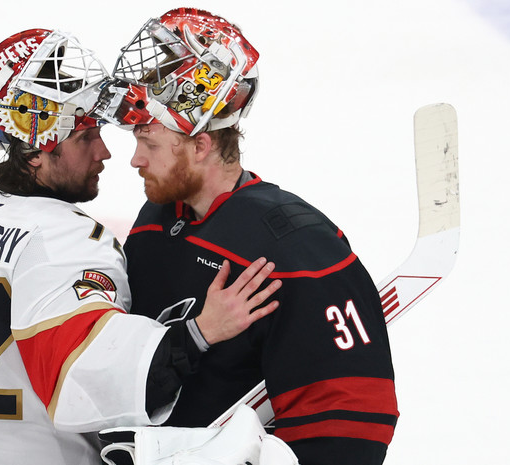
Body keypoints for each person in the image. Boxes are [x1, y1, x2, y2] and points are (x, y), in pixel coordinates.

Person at [0, 28, 281, 465]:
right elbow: (89, 382)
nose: (104, 152)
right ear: (37, 150)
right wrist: (198, 332)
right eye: (85, 137)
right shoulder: (67, 241)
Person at [95, 8, 399, 465]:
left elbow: (352, 421)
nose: (135, 160)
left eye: (150, 144)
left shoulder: (297, 246)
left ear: (201, 145)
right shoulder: (157, 219)